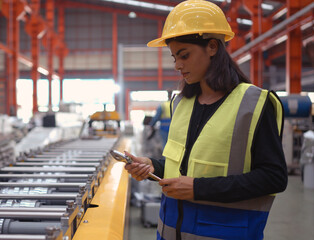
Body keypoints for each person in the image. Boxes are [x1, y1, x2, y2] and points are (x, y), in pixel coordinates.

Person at [123, 0, 288, 239]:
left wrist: (198, 189)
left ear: (212, 47)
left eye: (184, 55)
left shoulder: (254, 105)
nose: (178, 65)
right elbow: (182, 165)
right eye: (174, 57)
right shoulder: (182, 103)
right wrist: (151, 165)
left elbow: (274, 177)